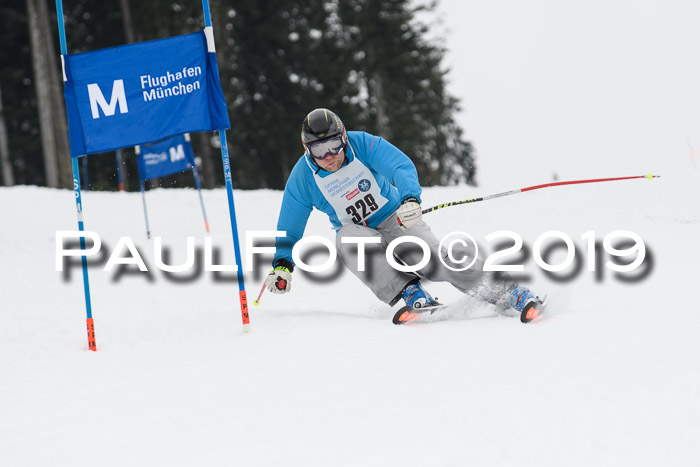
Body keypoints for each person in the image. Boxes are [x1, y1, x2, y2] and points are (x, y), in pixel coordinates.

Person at [264, 108, 544, 322]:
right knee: (346, 239)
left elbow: (399, 166)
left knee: (435, 258)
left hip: (396, 220)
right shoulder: (303, 177)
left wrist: (409, 198)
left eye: (335, 145)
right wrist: (282, 265)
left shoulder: (362, 145)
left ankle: (509, 291)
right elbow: (290, 226)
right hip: (359, 233)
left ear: (344, 137)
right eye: (319, 150)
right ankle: (407, 293)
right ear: (307, 150)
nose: (330, 156)